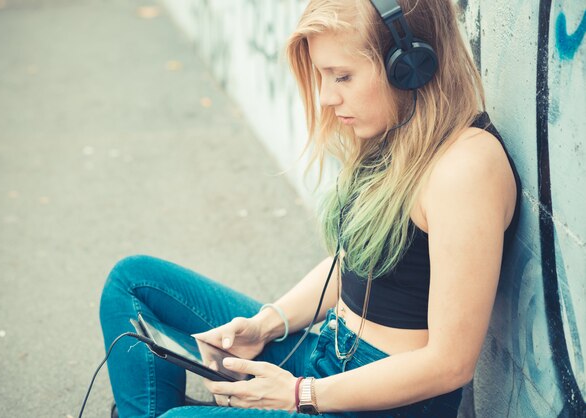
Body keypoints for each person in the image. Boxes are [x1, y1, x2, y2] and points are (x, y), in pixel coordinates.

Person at [99, 0, 521, 417]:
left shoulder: (465, 169)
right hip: (328, 361)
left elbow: (450, 364)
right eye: (323, 76)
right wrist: (266, 324)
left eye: (342, 76)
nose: (325, 97)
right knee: (132, 281)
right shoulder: (397, 130)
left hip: (382, 403)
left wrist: (301, 394)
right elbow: (356, 263)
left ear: (410, 65)